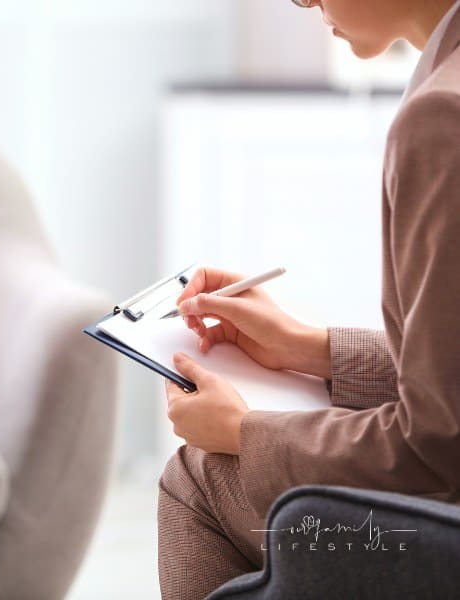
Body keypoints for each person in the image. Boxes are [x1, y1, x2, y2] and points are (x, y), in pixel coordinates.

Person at [157, 0, 460, 597]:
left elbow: (437, 451)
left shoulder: (441, 117)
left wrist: (245, 432)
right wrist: (312, 348)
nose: (307, 3)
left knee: (198, 475)